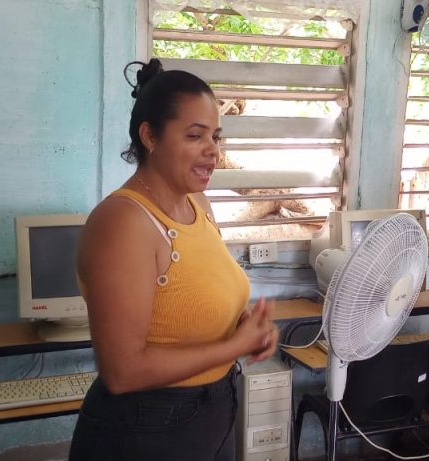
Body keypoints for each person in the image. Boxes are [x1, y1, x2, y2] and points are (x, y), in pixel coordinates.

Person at [68, 59, 279, 461]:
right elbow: (122, 372)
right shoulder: (123, 222)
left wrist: (243, 325)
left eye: (215, 136)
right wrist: (234, 346)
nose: (212, 150)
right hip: (145, 429)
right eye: (195, 135)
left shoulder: (198, 203)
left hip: (213, 409)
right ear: (150, 135)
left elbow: (192, 299)